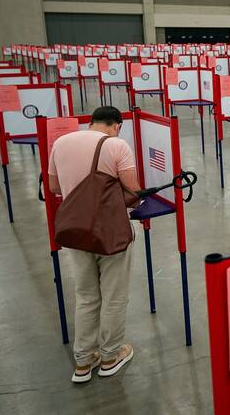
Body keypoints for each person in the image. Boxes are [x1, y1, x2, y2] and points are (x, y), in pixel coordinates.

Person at [48, 106, 140, 383]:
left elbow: (53, 187)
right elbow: (133, 192)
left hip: (75, 230)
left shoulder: (60, 143)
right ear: (117, 125)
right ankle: (111, 355)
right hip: (111, 231)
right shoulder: (116, 145)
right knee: (113, 295)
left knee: (86, 295)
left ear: (90, 123)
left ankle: (83, 361)